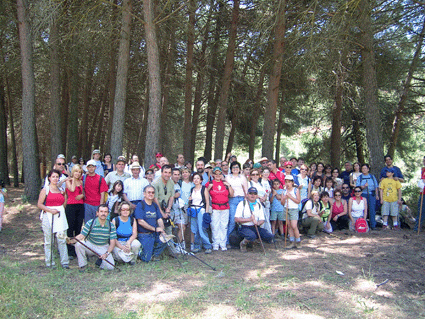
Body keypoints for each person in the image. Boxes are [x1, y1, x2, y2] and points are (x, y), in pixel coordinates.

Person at [37, 169, 69, 269]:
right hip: (48, 216)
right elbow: (39, 204)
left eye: (57, 177)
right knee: (49, 240)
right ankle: (49, 262)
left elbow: (64, 204)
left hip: (60, 216)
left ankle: (64, 262)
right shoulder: (45, 189)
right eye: (53, 177)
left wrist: (65, 196)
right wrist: (50, 210)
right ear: (49, 178)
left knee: (61, 239)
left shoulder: (61, 190)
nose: (55, 179)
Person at [73, 204, 117, 271]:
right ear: (97, 213)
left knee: (110, 267)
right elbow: (82, 235)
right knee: (78, 244)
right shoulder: (91, 222)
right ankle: (83, 265)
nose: (103, 214)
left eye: (105, 212)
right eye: (101, 211)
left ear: (108, 214)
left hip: (103, 246)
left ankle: (98, 263)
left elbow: (113, 242)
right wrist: (72, 240)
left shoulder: (111, 226)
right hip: (91, 245)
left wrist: (107, 253)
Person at [134, 185, 167, 262]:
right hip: (144, 234)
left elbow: (159, 219)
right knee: (146, 259)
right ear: (144, 194)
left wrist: (162, 230)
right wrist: (155, 229)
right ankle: (141, 254)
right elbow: (140, 221)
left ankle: (154, 255)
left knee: (166, 239)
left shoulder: (155, 205)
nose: (151, 194)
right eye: (148, 192)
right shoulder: (140, 205)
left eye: (152, 192)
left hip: (154, 234)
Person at [235, 187, 274, 252]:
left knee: (269, 236)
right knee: (251, 235)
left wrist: (258, 223)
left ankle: (252, 242)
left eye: (254, 194)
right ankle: (243, 244)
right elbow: (236, 219)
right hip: (244, 227)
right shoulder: (242, 204)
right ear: (247, 194)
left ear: (257, 195)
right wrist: (249, 219)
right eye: (250, 193)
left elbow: (262, 219)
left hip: (255, 227)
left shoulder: (259, 205)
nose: (252, 195)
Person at [206, 167, 233, 251]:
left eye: (219, 174)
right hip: (215, 207)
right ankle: (215, 243)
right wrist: (208, 188)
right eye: (216, 174)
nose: (218, 175)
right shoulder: (209, 183)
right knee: (215, 225)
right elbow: (205, 194)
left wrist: (229, 186)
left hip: (225, 207)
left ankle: (223, 243)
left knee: (224, 226)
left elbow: (231, 194)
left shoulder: (225, 183)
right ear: (213, 175)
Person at [188, 173, 212, 254]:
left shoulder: (204, 189)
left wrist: (206, 212)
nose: (196, 180)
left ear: (201, 180)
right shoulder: (192, 189)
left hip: (201, 210)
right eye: (194, 178)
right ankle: (197, 246)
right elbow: (191, 201)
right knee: (195, 229)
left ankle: (208, 246)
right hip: (193, 210)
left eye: (198, 178)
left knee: (202, 229)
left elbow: (207, 201)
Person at [65, 165, 85, 259]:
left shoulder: (81, 181)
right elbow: (72, 189)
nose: (78, 173)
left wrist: (81, 196)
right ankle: (69, 250)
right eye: (76, 171)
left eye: (79, 172)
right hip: (71, 206)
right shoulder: (68, 181)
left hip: (80, 206)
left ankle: (77, 248)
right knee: (70, 228)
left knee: (78, 228)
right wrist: (73, 179)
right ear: (73, 172)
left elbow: (84, 193)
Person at [226, 161, 248, 244]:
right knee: (232, 220)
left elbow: (246, 190)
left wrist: (246, 200)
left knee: (242, 220)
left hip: (242, 199)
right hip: (232, 199)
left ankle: (242, 241)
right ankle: (227, 241)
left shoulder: (242, 177)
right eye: (233, 167)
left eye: (237, 167)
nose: (235, 169)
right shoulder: (228, 177)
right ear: (231, 169)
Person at [152, 165, 174, 236]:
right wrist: (162, 213)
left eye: (169, 173)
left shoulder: (171, 182)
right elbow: (155, 199)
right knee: (160, 230)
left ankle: (170, 246)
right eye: (165, 172)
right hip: (156, 209)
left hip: (166, 208)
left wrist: (168, 209)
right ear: (161, 173)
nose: (167, 175)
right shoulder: (155, 183)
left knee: (169, 229)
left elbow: (171, 196)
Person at [356, 164, 379, 230]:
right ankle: (363, 224)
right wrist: (363, 186)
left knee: (372, 210)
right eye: (363, 168)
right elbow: (357, 187)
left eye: (365, 168)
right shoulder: (360, 177)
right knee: (363, 210)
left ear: (368, 169)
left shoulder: (372, 176)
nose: (364, 170)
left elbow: (376, 186)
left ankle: (373, 225)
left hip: (372, 194)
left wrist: (377, 195)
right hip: (363, 194)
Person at [248, 168, 271, 232]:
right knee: (256, 220)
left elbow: (265, 192)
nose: (255, 176)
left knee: (264, 219)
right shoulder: (250, 184)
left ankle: (265, 234)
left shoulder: (260, 183)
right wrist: (260, 197)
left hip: (263, 204)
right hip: (255, 204)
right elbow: (250, 193)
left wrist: (265, 197)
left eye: (257, 174)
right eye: (253, 174)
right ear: (250, 176)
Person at [169, 168, 188, 248]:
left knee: (182, 227)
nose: (177, 176)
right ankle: (171, 247)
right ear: (171, 175)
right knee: (169, 230)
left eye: (178, 174)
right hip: (170, 210)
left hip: (178, 209)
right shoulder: (168, 184)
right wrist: (174, 195)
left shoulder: (178, 184)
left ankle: (178, 246)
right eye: (175, 174)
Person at [281, 175, 301, 249]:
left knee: (294, 225)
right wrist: (284, 198)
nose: (287, 184)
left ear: (292, 182)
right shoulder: (284, 191)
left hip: (294, 209)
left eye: (289, 182)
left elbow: (298, 201)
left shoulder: (296, 190)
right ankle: (292, 241)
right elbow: (282, 203)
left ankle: (298, 241)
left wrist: (290, 197)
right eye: (286, 182)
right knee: (289, 226)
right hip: (286, 208)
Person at [415, 156, 425, 231]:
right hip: (423, 192)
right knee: (420, 210)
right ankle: (417, 227)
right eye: (423, 160)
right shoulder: (423, 169)